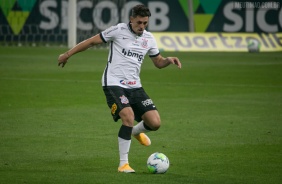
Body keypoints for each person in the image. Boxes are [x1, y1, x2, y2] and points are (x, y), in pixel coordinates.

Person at [58, 4, 181, 173]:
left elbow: (158, 62)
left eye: (145, 23)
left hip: (135, 86)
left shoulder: (149, 38)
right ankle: (123, 164)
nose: (142, 26)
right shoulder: (118, 30)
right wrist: (67, 54)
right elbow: (91, 41)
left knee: (155, 123)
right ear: (131, 19)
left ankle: (135, 132)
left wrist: (168, 60)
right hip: (113, 83)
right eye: (139, 22)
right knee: (128, 117)